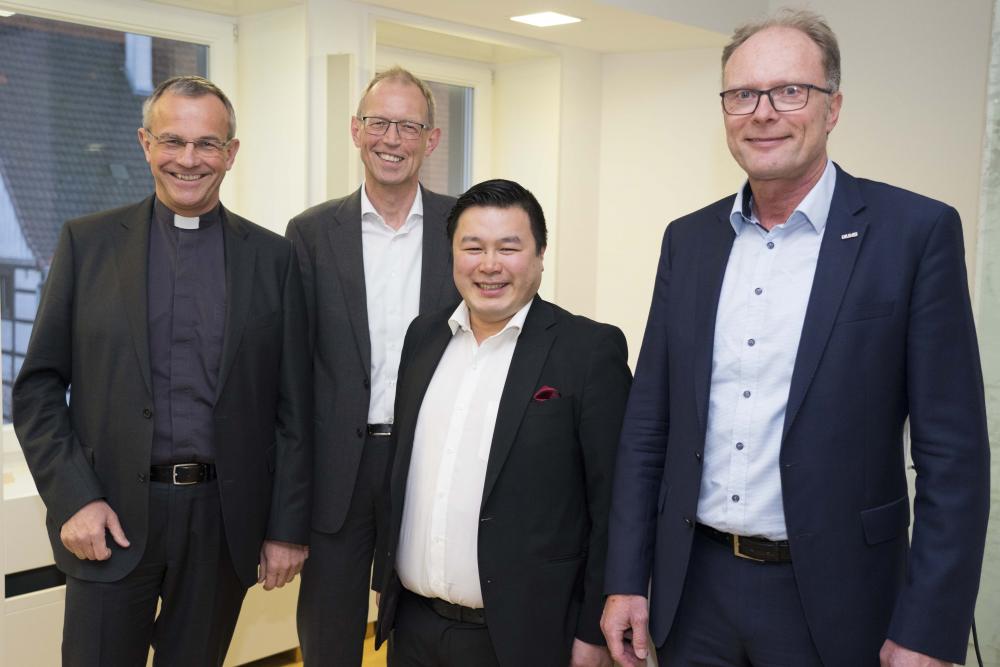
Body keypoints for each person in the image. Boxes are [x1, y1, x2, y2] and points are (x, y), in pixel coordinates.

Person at [601, 9, 990, 667]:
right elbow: (649, 426)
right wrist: (624, 577)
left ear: (832, 107)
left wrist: (930, 624)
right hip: (693, 592)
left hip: (839, 600)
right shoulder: (689, 241)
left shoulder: (912, 234)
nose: (763, 112)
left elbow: (953, 456)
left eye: (790, 91)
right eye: (742, 94)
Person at [12, 75, 312, 667]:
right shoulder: (87, 244)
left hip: (222, 525)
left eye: (207, 144)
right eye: (173, 140)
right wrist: (75, 498)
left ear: (230, 153)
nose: (189, 159)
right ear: (145, 143)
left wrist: (286, 527)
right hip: (111, 516)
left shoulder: (273, 258)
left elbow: (294, 407)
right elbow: (40, 388)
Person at [375, 178, 631, 667]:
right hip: (414, 629)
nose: (489, 265)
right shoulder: (423, 338)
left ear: (539, 256)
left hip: (523, 638)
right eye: (473, 247)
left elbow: (613, 504)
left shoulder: (587, 350)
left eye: (509, 248)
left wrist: (591, 630)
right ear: (452, 254)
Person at [286, 66, 459, 666]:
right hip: (339, 468)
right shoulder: (309, 235)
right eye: (379, 123)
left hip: (430, 460)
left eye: (408, 126)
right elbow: (294, 370)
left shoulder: (463, 228)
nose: (392, 139)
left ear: (430, 140)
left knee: (423, 621)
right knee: (330, 634)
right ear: (356, 131)